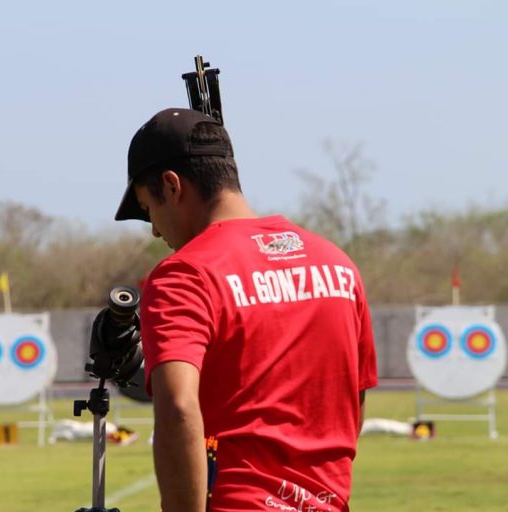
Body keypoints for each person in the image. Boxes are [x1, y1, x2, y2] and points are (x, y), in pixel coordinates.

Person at [114, 107, 378, 512]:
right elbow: (350, 407)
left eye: (149, 209)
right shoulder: (338, 264)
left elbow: (178, 406)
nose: (154, 230)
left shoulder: (183, 274)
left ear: (171, 185)